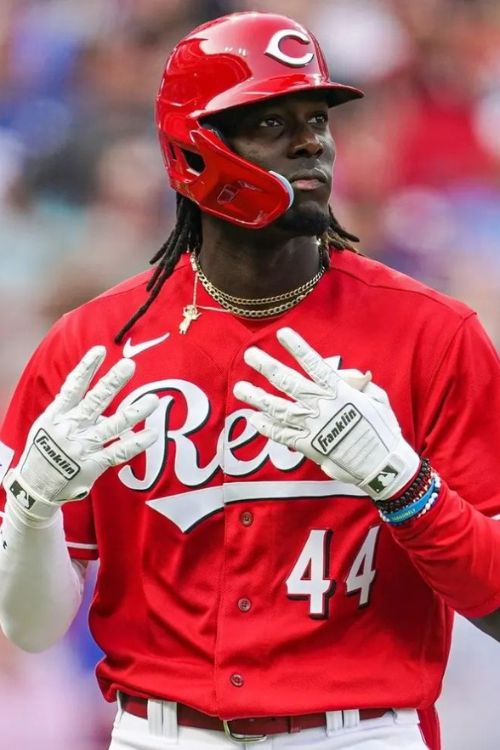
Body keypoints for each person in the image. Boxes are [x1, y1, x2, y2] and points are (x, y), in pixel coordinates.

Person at [0, 11, 499, 750]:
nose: (312, 144)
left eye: (317, 120)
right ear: (193, 150)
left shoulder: (433, 333)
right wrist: (32, 511)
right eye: (271, 122)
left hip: (359, 733)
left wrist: (405, 487)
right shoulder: (91, 348)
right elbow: (32, 631)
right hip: (159, 734)